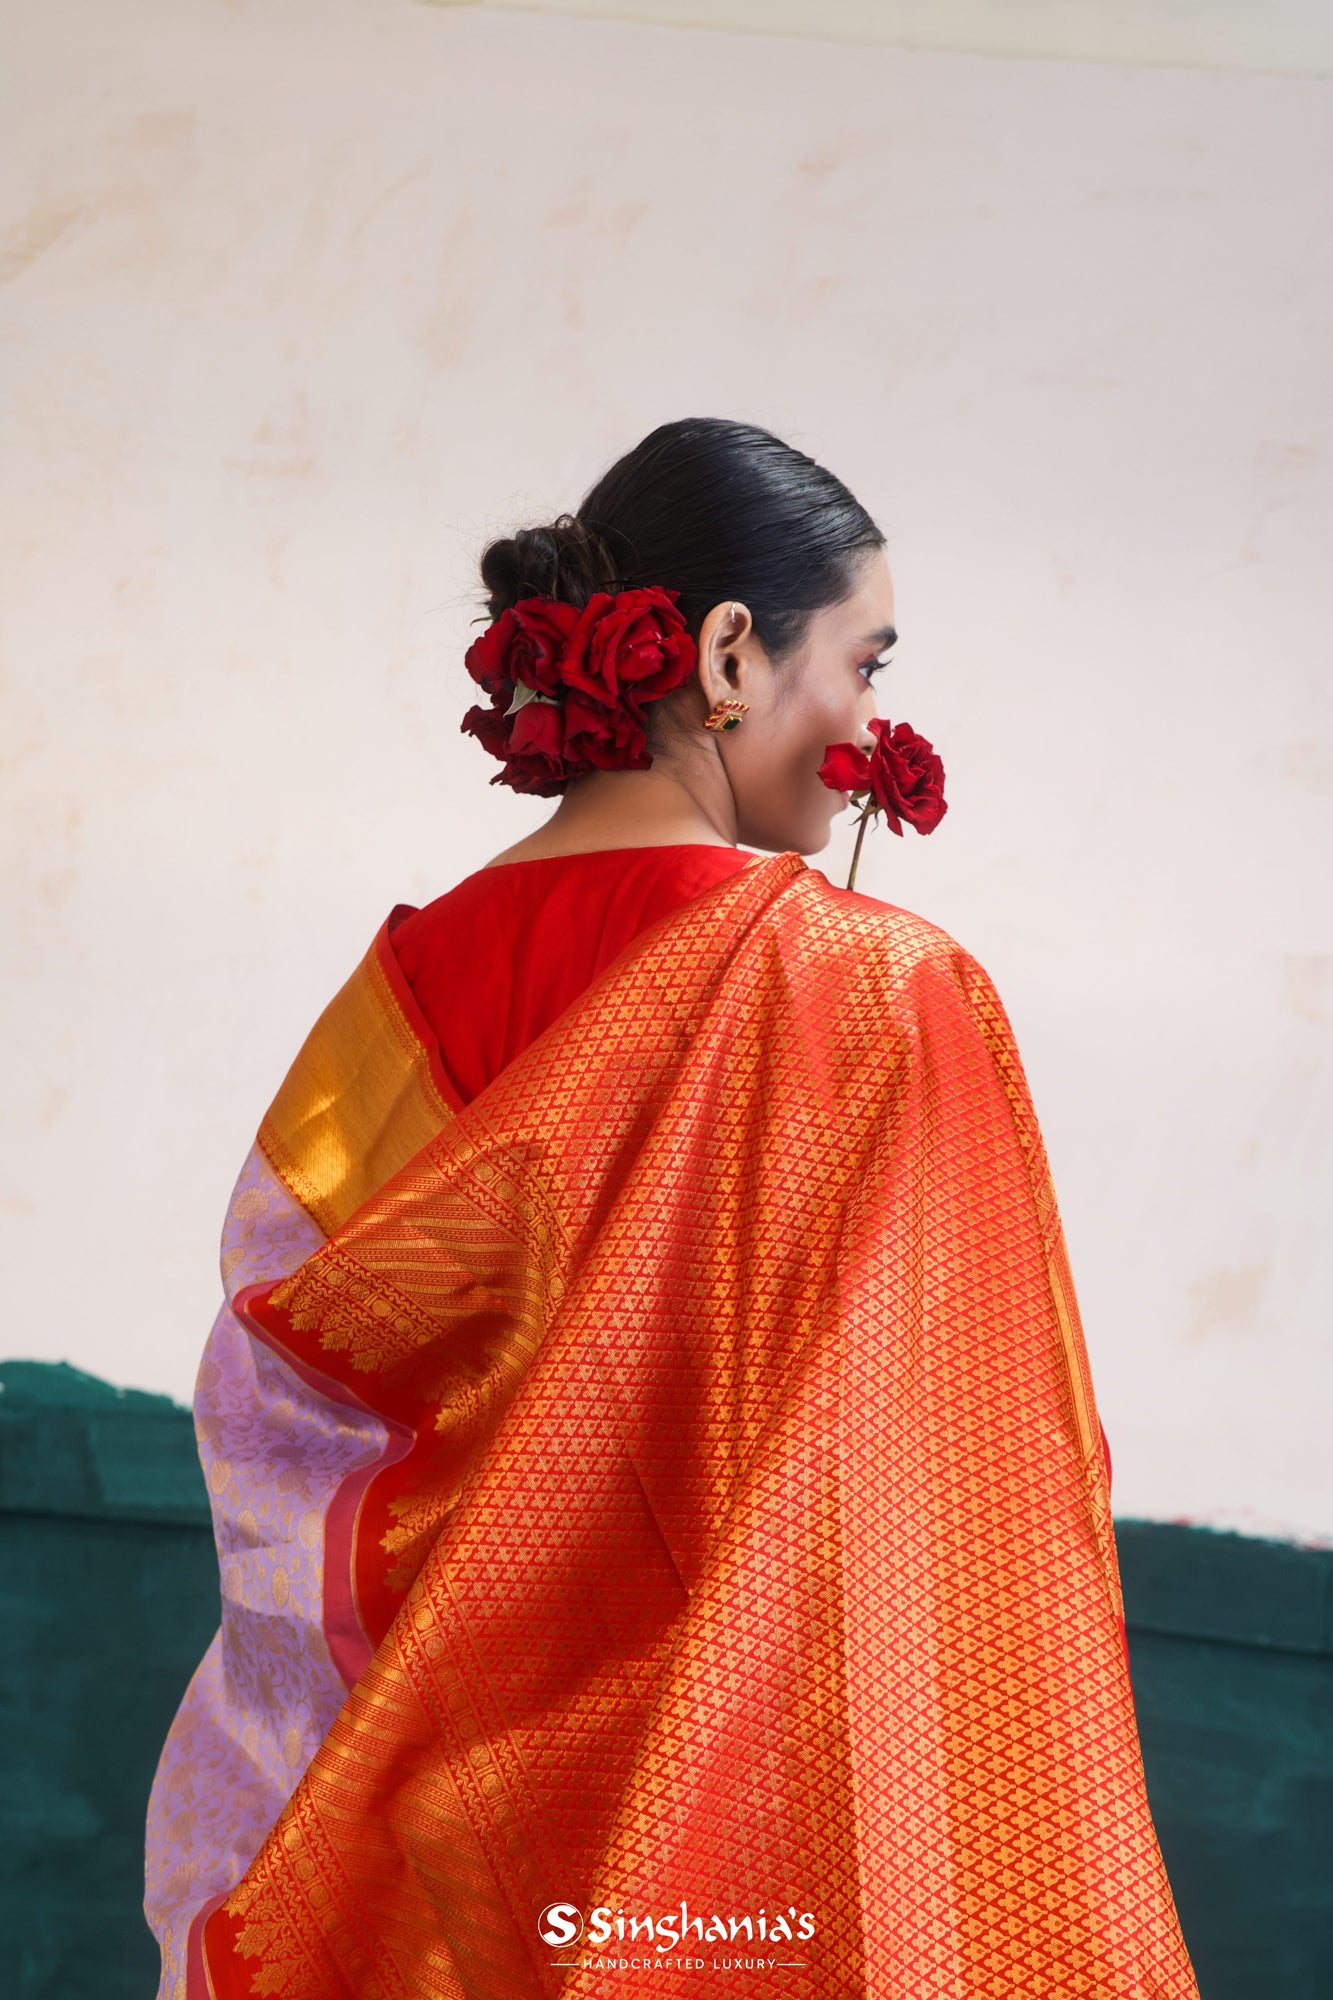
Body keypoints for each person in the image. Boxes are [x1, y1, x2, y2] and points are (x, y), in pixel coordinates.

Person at [145, 418, 1199, 1998]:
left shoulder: (400, 987)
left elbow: (294, 1404)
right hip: (719, 1843)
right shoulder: (867, 988)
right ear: (724, 654)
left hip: (405, 1839)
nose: (865, 716)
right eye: (865, 663)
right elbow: (953, 1482)